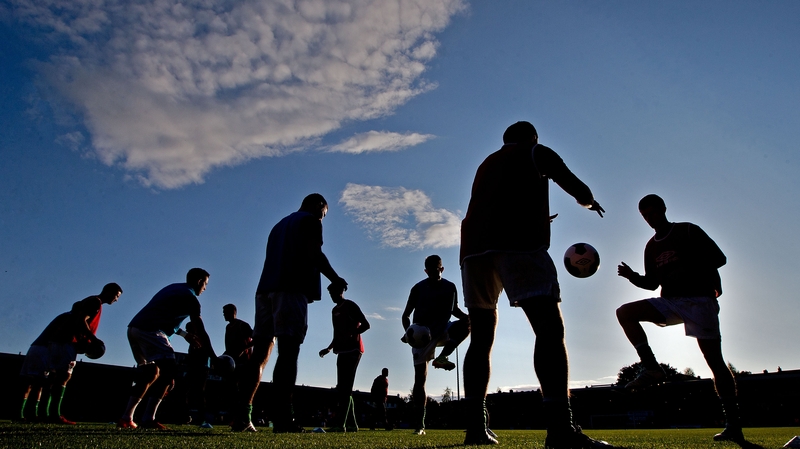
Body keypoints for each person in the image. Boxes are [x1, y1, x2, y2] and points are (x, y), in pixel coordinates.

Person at [460, 121, 616, 447]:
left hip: (474, 250)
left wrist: (534, 214)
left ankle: (475, 428)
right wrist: (588, 201)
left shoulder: (487, 163)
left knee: (481, 336)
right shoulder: (535, 151)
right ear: (532, 137)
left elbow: (498, 203)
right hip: (518, 245)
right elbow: (569, 180)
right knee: (549, 330)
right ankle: (561, 429)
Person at [616, 194, 744, 443]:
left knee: (715, 361)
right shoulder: (651, 246)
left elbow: (720, 258)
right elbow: (652, 283)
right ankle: (652, 368)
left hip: (700, 300)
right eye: (645, 216)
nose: (650, 218)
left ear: (663, 209)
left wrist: (688, 268)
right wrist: (632, 277)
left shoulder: (687, 231)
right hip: (672, 302)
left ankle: (734, 425)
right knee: (625, 312)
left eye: (652, 213)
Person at [233, 193, 348, 433]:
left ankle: (243, 416)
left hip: (265, 290)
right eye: (324, 214)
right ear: (318, 206)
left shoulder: (278, 225)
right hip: (291, 288)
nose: (322, 219)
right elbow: (314, 254)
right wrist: (335, 278)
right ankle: (283, 418)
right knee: (288, 352)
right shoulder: (311, 221)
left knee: (260, 355)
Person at [118, 268, 217, 430]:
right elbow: (201, 330)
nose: (205, 288)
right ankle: (148, 418)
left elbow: (161, 315)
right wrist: (214, 357)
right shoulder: (190, 298)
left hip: (134, 328)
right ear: (199, 281)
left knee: (150, 373)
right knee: (168, 374)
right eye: (205, 284)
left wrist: (185, 335)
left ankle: (126, 417)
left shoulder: (173, 288)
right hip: (151, 331)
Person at [18, 283, 122, 424]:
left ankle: (40, 414)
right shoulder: (95, 302)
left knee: (44, 381)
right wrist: (93, 340)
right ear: (108, 291)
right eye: (116, 295)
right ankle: (53, 415)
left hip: (52, 344)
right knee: (61, 377)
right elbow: (81, 321)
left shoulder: (74, 312)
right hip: (63, 344)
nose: (116, 299)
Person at [401, 254, 469, 435]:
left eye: (436, 270)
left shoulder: (450, 287)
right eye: (429, 271)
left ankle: (442, 356)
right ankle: (420, 425)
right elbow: (405, 315)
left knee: (467, 324)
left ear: (442, 269)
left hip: (442, 330)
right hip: (421, 336)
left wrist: (468, 318)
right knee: (419, 381)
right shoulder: (417, 288)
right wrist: (408, 333)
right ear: (425, 271)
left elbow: (454, 310)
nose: (432, 273)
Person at [319, 282, 370, 432]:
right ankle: (352, 425)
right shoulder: (334, 310)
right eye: (330, 294)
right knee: (342, 388)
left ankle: (340, 425)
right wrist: (329, 348)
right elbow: (337, 333)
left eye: (334, 293)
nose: (332, 296)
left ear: (342, 291)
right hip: (341, 351)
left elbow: (366, 325)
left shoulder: (350, 306)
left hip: (354, 350)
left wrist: (351, 333)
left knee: (345, 388)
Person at [222, 304, 253, 414]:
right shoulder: (228, 327)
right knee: (231, 389)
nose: (224, 315)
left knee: (242, 389)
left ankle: (244, 414)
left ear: (233, 312)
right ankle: (234, 415)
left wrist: (242, 349)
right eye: (223, 313)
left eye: (225, 312)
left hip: (243, 362)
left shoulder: (242, 325)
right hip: (232, 362)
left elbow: (255, 339)